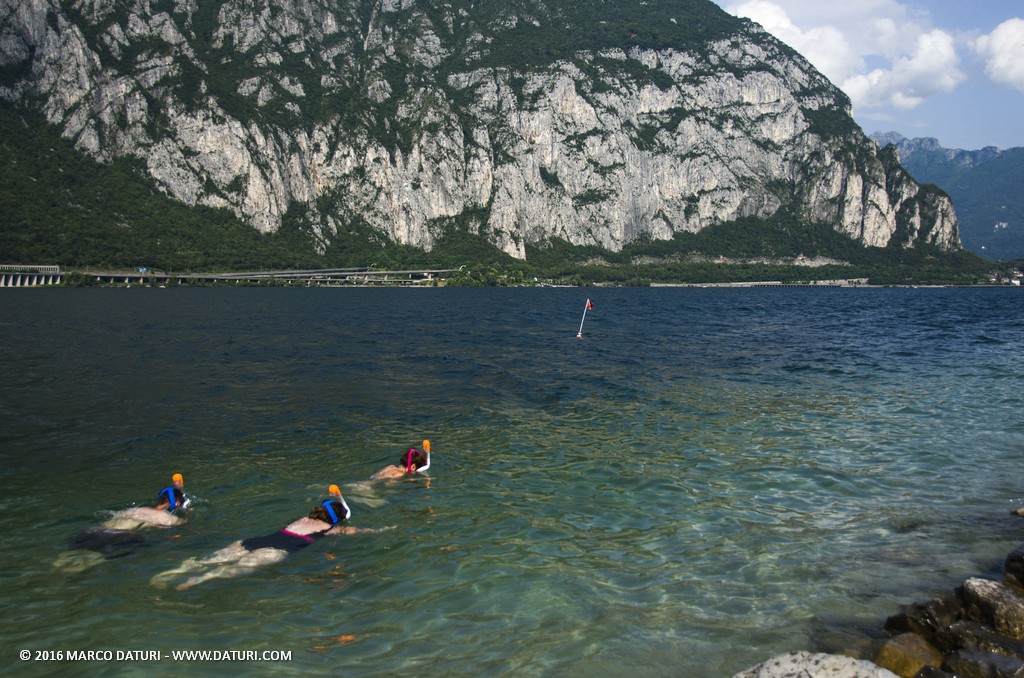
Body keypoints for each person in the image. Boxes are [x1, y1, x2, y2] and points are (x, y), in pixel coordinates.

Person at [152, 485, 385, 590]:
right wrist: (385, 530)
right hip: (275, 551)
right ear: (336, 520)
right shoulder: (329, 529)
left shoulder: (301, 519)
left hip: (255, 541)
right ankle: (194, 581)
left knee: (209, 559)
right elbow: (357, 531)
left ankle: (172, 573)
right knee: (228, 570)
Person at [102, 472, 188, 531]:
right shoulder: (167, 518)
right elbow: (184, 525)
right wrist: (187, 513)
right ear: (177, 503)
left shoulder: (140, 509)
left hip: (101, 529)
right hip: (117, 536)